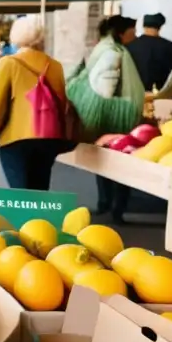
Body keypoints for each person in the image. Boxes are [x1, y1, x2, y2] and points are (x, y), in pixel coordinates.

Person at [66, 15, 144, 222]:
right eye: (132, 31)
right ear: (120, 33)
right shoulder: (114, 53)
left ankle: (105, 203)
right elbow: (106, 89)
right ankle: (116, 209)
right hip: (114, 120)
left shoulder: (103, 48)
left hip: (104, 121)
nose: (134, 36)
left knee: (103, 162)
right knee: (120, 163)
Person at [0, 15, 68, 190]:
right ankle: (39, 217)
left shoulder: (8, 63)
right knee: (40, 190)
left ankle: (24, 218)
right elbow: (62, 104)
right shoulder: (55, 66)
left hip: (15, 139)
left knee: (20, 192)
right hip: (48, 137)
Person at [127, 13, 172, 92]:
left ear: (144, 25)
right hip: (163, 95)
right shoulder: (170, 47)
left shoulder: (130, 46)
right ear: (160, 26)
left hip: (135, 93)